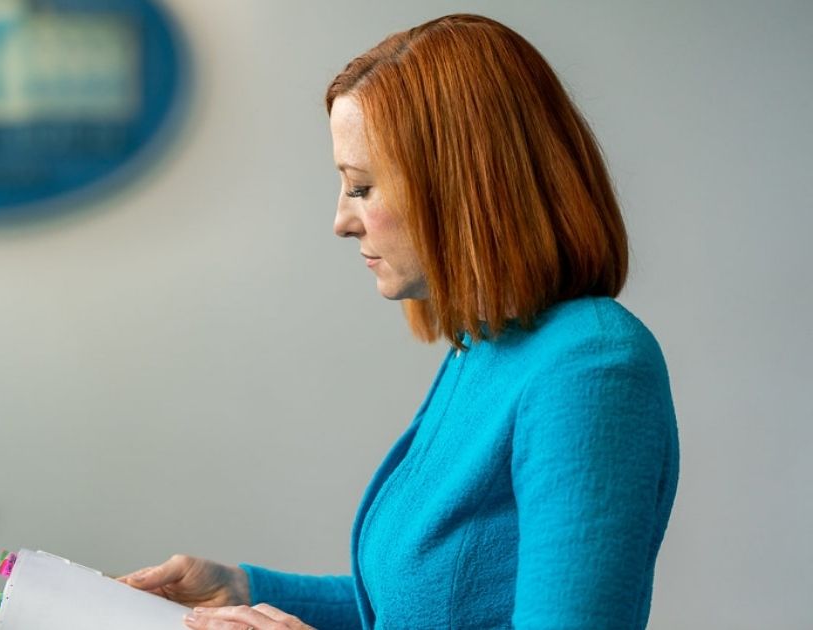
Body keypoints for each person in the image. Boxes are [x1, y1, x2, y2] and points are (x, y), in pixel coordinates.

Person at [119, 13, 679, 630]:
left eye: (361, 187)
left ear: (463, 185)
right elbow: (416, 609)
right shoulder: (487, 348)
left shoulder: (590, 368)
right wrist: (239, 589)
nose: (341, 220)